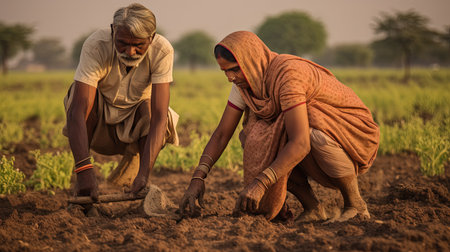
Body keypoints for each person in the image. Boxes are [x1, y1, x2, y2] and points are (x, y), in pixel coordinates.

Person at [179, 31, 379, 222]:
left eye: (234, 69)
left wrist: (261, 182)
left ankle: (355, 204)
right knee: (254, 136)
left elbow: (300, 143)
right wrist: (198, 177)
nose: (230, 77)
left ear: (250, 61)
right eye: (225, 71)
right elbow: (222, 133)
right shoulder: (245, 83)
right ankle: (313, 208)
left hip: (349, 134)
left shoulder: (289, 76)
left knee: (309, 132)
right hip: (311, 138)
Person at [63, 3, 178, 208]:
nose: (130, 51)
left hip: (136, 124)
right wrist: (83, 171)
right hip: (99, 123)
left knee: (155, 111)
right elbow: (78, 111)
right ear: (113, 31)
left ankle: (141, 183)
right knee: (76, 95)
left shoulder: (162, 50)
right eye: (122, 43)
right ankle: (83, 188)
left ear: (151, 39)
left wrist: (144, 174)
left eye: (138, 45)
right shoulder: (96, 45)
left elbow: (159, 116)